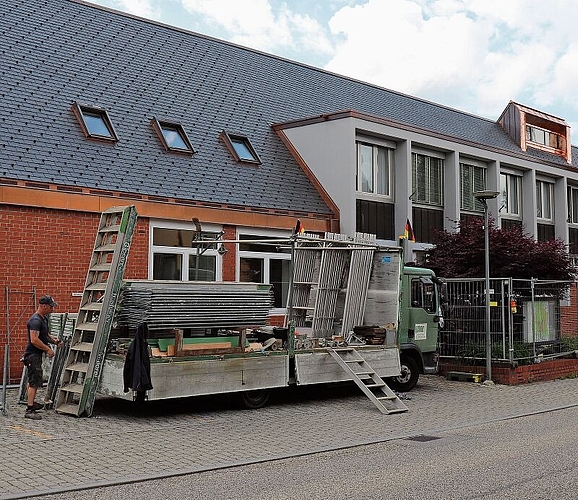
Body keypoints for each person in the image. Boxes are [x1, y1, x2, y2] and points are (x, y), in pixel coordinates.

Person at [22, 295, 61, 420]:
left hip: (36, 355)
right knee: (34, 381)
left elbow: (44, 335)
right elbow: (34, 339)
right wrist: (48, 349)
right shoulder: (35, 320)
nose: (52, 309)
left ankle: (31, 403)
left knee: (33, 380)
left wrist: (54, 341)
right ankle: (29, 409)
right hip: (32, 355)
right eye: (51, 307)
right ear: (43, 306)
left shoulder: (43, 319)